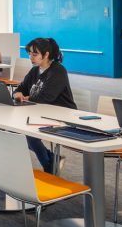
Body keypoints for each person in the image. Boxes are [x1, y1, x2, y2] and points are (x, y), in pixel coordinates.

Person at [13, 38, 75, 172]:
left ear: (46, 54)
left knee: (29, 135)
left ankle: (49, 166)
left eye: (34, 54)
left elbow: (46, 97)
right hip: (41, 112)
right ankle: (52, 160)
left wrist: (27, 97)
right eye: (29, 54)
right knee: (16, 132)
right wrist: (17, 93)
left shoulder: (58, 71)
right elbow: (21, 88)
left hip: (62, 114)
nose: (30, 57)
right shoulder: (35, 71)